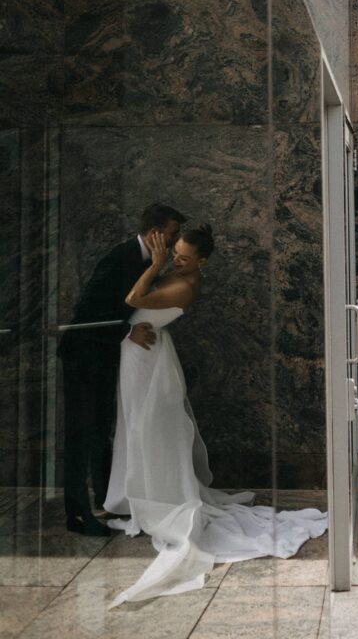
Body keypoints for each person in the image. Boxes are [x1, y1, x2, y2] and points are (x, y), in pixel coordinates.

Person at [104, 222, 327, 606]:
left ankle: (156, 495)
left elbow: (134, 298)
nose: (176, 259)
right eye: (175, 252)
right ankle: (135, 493)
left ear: (201, 262)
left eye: (183, 258)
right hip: (140, 355)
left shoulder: (183, 285)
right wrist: (128, 331)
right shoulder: (180, 271)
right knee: (136, 428)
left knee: (149, 429)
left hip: (149, 364)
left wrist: (156, 264)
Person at [59, 203, 185, 536]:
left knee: (101, 429)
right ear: (155, 233)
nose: (175, 244)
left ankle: (106, 502)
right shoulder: (120, 258)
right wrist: (128, 332)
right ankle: (77, 515)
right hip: (83, 356)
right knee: (81, 435)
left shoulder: (147, 261)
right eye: (172, 235)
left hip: (104, 357)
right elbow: (87, 311)